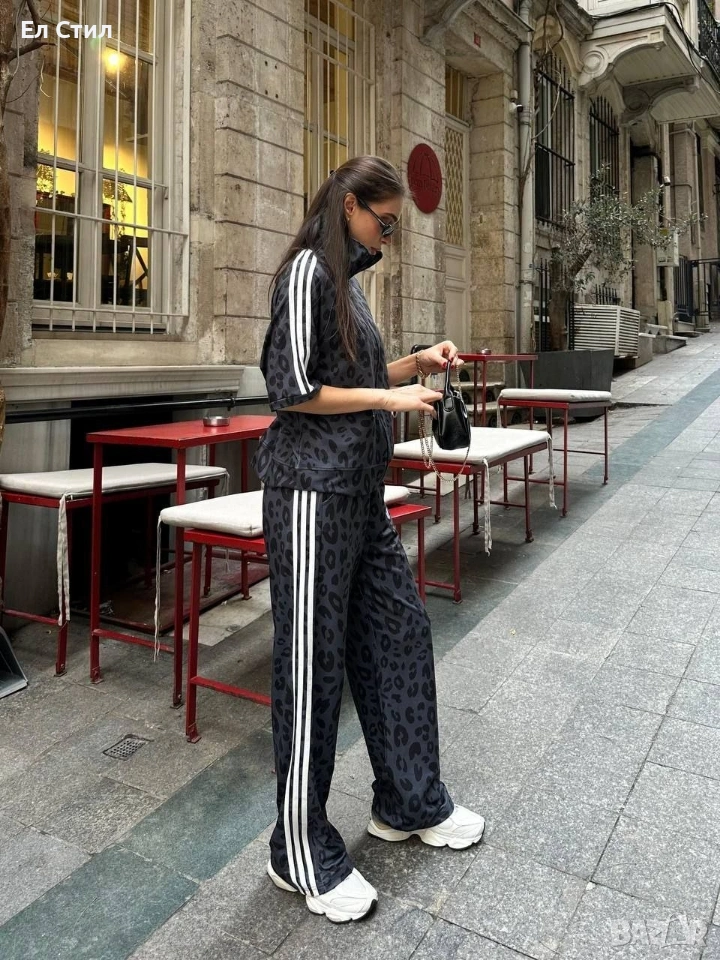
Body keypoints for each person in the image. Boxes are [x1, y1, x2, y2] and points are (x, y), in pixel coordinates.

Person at [253, 155, 485, 924]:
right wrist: (389, 399)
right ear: (348, 206)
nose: (388, 235)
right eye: (383, 222)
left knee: (399, 633)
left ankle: (409, 801)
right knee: (313, 669)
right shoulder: (304, 274)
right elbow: (292, 389)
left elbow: (351, 374)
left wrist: (414, 364)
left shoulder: (346, 284)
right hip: (310, 496)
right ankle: (296, 847)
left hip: (357, 495)